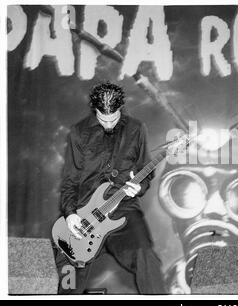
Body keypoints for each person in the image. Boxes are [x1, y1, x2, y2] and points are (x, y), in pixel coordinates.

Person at [55, 82, 166, 294]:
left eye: (113, 118)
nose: (108, 124)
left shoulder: (136, 129)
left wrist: (139, 186)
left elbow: (145, 169)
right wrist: (70, 215)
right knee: (69, 275)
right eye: (103, 118)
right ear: (94, 110)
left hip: (124, 209)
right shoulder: (78, 132)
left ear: (120, 109)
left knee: (147, 257)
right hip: (85, 213)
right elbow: (70, 180)